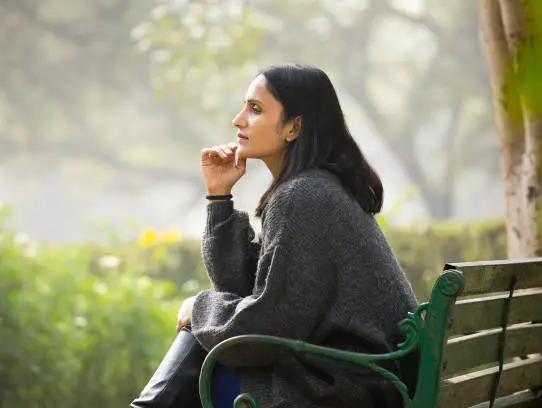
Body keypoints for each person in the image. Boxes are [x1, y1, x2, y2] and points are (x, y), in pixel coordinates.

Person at [133, 64, 419, 408]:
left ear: (294, 127)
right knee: (206, 335)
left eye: (255, 109)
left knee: (201, 341)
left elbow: (271, 326)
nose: (238, 120)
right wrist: (219, 196)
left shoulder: (303, 195)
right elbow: (244, 291)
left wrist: (200, 309)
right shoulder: (315, 188)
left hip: (349, 389)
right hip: (368, 380)